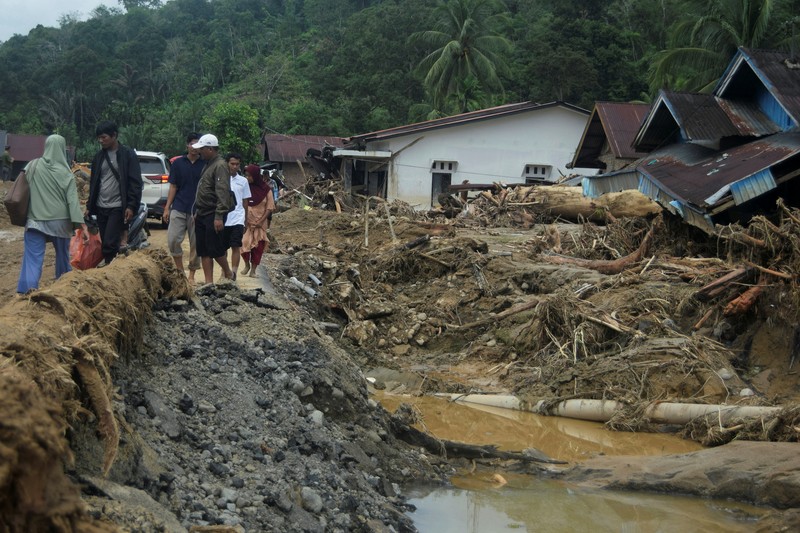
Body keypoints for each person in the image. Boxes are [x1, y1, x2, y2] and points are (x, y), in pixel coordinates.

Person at [17, 135, 89, 294]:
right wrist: (81, 226)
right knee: (63, 256)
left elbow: (21, 187)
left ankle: (26, 292)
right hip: (60, 223)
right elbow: (72, 202)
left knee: (32, 258)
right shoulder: (67, 174)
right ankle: (63, 289)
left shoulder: (33, 165)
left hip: (36, 220)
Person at [86, 120, 142, 264]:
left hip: (118, 206)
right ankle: (113, 265)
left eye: (104, 137)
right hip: (101, 206)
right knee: (105, 240)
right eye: (99, 138)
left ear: (114, 135)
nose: (101, 141)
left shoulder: (127, 155)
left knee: (109, 243)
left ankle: (110, 268)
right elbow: (94, 183)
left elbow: (135, 182)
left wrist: (130, 205)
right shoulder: (99, 157)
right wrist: (89, 205)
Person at [192, 133, 234, 285]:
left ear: (210, 149)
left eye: (202, 149)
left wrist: (219, 216)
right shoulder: (207, 164)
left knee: (215, 248)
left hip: (212, 212)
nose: (199, 152)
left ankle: (228, 272)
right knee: (203, 249)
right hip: (202, 212)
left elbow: (222, 192)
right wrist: (197, 211)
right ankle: (208, 282)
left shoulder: (220, 165)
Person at [163, 132, 205, 284]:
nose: (194, 148)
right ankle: (180, 270)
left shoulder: (205, 165)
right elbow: (173, 186)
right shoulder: (178, 163)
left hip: (197, 210)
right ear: (187, 145)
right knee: (173, 239)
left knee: (196, 243)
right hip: (179, 206)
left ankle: (192, 275)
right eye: (192, 144)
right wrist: (167, 207)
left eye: (198, 145)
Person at [241, 164, 275, 277]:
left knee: (258, 247)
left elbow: (270, 207)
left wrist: (261, 221)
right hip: (247, 223)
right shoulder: (245, 187)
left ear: (255, 176)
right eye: (246, 176)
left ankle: (253, 270)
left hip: (260, 223)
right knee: (244, 244)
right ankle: (246, 265)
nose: (247, 178)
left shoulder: (266, 190)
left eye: (249, 176)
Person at [223, 153, 250, 280]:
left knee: (235, 246)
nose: (234, 166)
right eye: (232, 164)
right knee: (222, 248)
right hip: (223, 218)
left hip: (238, 217)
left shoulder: (243, 181)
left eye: (237, 164)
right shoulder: (220, 179)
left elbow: (245, 202)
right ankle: (224, 272)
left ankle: (233, 273)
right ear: (227, 163)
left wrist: (245, 220)